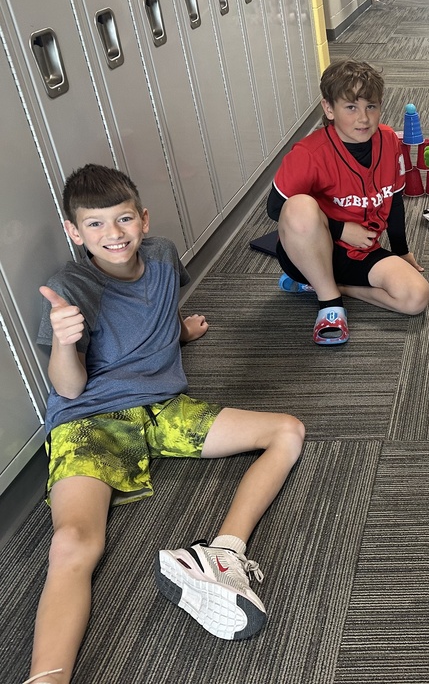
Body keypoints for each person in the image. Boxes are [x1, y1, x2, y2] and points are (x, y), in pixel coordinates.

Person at [24, 165, 305, 684]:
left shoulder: (162, 255)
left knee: (287, 431)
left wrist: (180, 334)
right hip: (92, 420)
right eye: (94, 225)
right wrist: (64, 340)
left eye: (123, 219)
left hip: (164, 410)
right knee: (73, 542)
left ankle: (222, 554)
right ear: (73, 231)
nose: (113, 235)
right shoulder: (71, 285)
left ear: (143, 219)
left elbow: (159, 311)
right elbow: (67, 388)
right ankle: (46, 678)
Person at [269, 60, 429, 344]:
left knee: (417, 297)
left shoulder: (390, 141)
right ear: (329, 109)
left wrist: (403, 252)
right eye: (351, 107)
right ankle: (330, 305)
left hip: (361, 253)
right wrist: (341, 230)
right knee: (298, 206)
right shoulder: (309, 152)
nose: (364, 118)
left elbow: (394, 202)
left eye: (371, 106)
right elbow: (275, 208)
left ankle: (334, 287)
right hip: (310, 253)